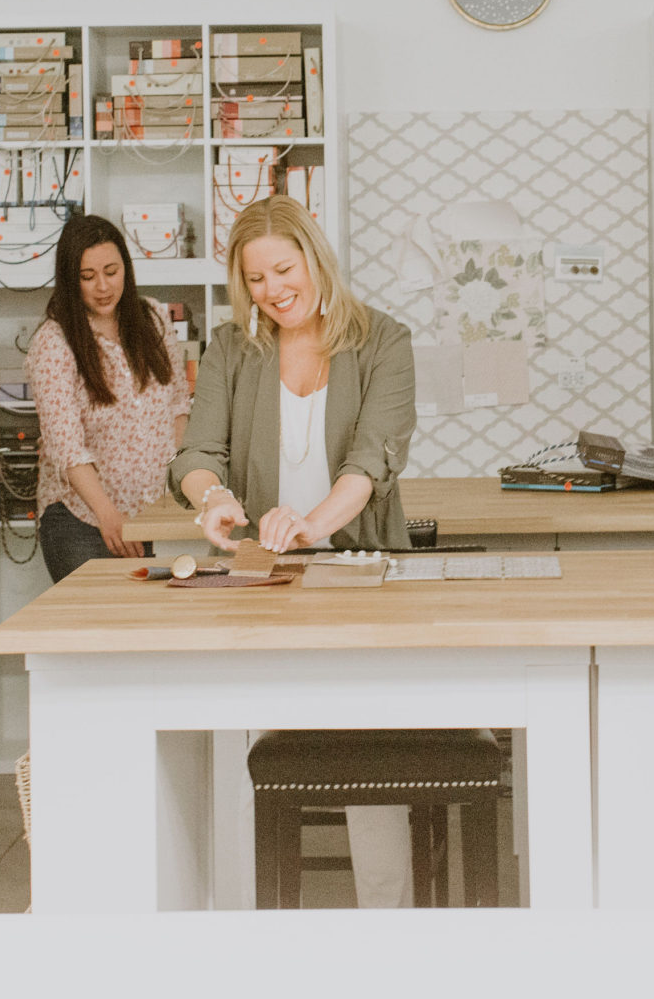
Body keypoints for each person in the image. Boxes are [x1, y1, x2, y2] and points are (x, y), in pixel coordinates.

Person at [169, 195, 418, 906]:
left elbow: (371, 463)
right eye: (255, 278)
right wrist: (213, 498)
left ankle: (386, 925)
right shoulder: (232, 348)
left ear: (315, 258)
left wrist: (313, 525)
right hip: (262, 581)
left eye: (284, 269)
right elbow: (195, 453)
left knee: (371, 764)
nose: (273, 290)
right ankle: (246, 924)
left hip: (361, 573)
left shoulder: (383, 340)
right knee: (241, 752)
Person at [29, 216, 192, 583]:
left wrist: (177, 489)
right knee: (94, 634)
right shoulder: (54, 342)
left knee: (141, 632)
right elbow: (67, 448)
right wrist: (109, 516)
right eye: (87, 277)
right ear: (71, 279)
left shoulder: (152, 318)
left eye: (111, 271)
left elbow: (179, 405)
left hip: (148, 516)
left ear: (126, 269)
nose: (102, 286)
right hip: (83, 522)